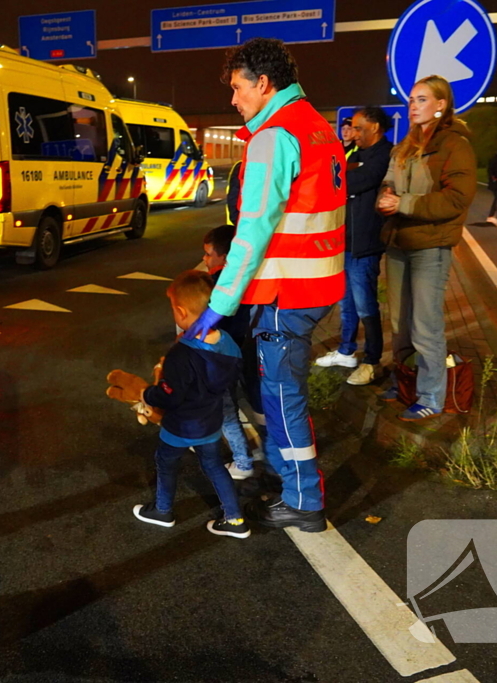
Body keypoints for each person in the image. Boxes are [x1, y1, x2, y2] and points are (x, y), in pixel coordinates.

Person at [187, 38, 346, 533]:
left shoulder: (274, 137)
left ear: (263, 83)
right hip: (319, 283)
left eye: (238, 88)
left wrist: (217, 306)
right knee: (285, 395)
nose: (234, 100)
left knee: (282, 400)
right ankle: (292, 482)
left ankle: (303, 501)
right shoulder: (319, 127)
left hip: (285, 292)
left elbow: (251, 233)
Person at [377, 75, 477, 421]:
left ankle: (432, 395)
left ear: (441, 105)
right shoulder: (405, 145)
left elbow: (456, 198)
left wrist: (401, 203)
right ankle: (404, 382)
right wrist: (385, 198)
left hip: (430, 247)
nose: (413, 106)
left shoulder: (454, 145)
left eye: (422, 99)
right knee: (399, 323)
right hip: (399, 244)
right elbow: (388, 183)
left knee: (425, 324)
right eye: (411, 100)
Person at [133, 270, 249, 539]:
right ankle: (235, 519)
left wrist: (148, 394)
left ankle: (163, 511)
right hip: (210, 422)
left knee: (166, 461)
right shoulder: (227, 343)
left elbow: (169, 395)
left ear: (181, 311)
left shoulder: (181, 354)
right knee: (214, 465)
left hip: (180, 425)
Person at [315, 107, 394, 386]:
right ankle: (347, 351)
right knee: (346, 304)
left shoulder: (386, 154)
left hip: (365, 246)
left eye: (359, 128)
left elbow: (360, 180)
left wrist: (341, 181)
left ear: (374, 128)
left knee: (366, 307)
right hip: (345, 243)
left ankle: (372, 360)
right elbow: (338, 174)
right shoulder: (356, 154)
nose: (353, 133)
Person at [203, 225, 255, 479]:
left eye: (209, 254)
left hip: (222, 358)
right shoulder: (246, 279)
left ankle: (243, 462)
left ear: (225, 257)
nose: (205, 259)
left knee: (226, 410)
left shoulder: (218, 285)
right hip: (242, 351)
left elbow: (211, 323)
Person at [225, 160, 242, 226]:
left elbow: (233, 196)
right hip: (239, 224)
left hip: (238, 224)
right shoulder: (241, 167)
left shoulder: (240, 166)